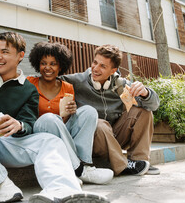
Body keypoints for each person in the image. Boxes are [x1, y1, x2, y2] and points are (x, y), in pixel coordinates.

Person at [0, 32, 109, 203]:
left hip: (2, 142)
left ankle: (62, 190)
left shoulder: (28, 89)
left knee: (50, 140)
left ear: (20, 56)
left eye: (5, 52)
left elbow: (29, 122)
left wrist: (19, 125)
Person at [61, 44, 160, 176]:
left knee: (144, 112)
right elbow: (48, 81)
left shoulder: (121, 85)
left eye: (103, 66)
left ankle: (139, 161)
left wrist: (146, 93)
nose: (95, 68)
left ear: (113, 70)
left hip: (114, 136)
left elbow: (154, 105)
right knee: (99, 123)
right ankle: (123, 166)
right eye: (95, 62)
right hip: (93, 141)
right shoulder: (77, 81)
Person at [26, 42, 113, 185]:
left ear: (60, 66)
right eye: (43, 63)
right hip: (39, 133)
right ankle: (78, 169)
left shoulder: (67, 87)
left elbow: (64, 122)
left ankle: (85, 162)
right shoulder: (29, 82)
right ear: (37, 64)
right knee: (49, 118)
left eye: (53, 64)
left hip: (61, 132)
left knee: (89, 111)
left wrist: (71, 112)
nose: (47, 68)